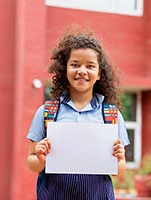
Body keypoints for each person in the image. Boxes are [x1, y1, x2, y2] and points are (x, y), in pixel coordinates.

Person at [27, 29, 130, 199]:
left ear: (99, 74)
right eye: (75, 64)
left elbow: (120, 170)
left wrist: (120, 158)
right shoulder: (47, 112)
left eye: (90, 66)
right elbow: (32, 163)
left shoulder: (111, 115)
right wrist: (40, 158)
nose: (82, 71)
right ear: (64, 70)